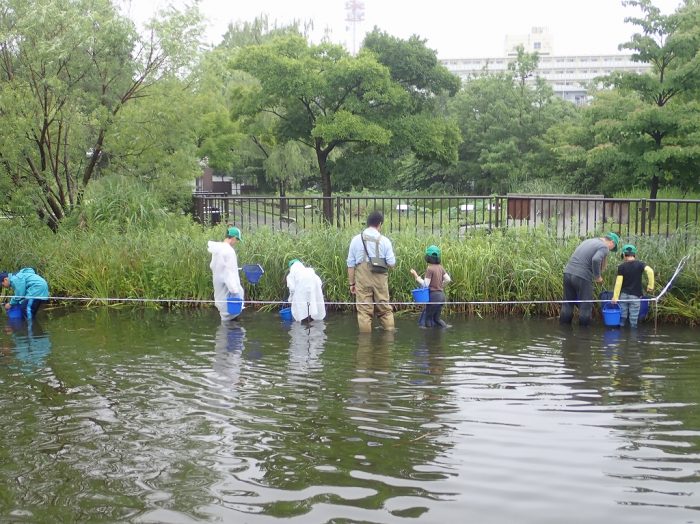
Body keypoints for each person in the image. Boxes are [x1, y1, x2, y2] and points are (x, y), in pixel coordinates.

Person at [347, 210, 396, 332]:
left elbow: (350, 265)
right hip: (380, 279)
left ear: (367, 223)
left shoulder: (356, 240)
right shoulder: (385, 241)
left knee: (364, 312)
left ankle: (365, 345)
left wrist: (352, 284)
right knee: (385, 310)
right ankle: (389, 340)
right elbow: (391, 263)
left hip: (362, 278)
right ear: (380, 224)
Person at [559, 232, 620, 326]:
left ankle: (564, 331)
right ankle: (584, 335)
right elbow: (596, 259)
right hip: (582, 276)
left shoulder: (588, 241)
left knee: (567, 304)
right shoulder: (604, 247)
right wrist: (597, 277)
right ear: (611, 242)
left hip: (567, 272)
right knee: (585, 306)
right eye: (613, 248)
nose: (610, 250)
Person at [611, 244, 654, 328]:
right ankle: (633, 338)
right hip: (635, 296)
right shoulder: (640, 264)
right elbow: (650, 271)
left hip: (623, 295)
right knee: (633, 320)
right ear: (634, 254)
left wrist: (615, 297)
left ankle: (621, 335)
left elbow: (618, 283)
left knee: (622, 317)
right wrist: (650, 286)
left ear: (624, 255)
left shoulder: (621, 267)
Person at [207, 226, 245, 321]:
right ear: (233, 238)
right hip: (229, 294)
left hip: (219, 291)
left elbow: (217, 267)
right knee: (232, 323)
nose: (236, 242)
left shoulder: (218, 249)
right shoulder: (229, 252)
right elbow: (229, 274)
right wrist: (235, 292)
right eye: (237, 240)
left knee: (224, 320)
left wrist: (236, 269)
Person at [409, 245, 452, 328]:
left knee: (428, 319)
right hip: (441, 296)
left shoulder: (430, 268)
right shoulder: (441, 267)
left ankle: (430, 338)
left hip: (433, 297)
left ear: (427, 257)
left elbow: (425, 284)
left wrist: (416, 276)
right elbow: (448, 279)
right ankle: (445, 330)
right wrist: (441, 286)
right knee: (437, 319)